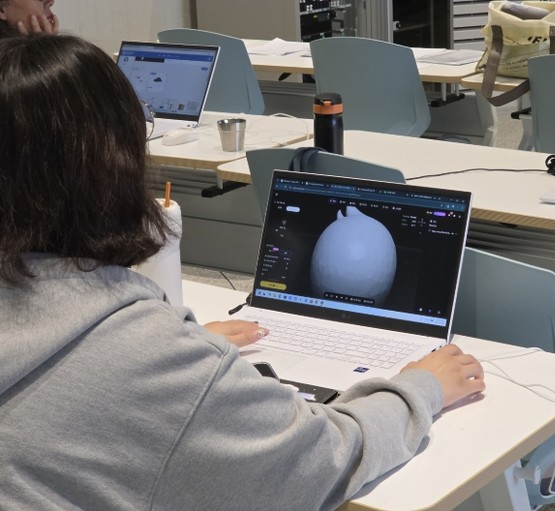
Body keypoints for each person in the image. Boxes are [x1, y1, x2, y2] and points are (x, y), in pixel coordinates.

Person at [0, 33, 485, 510]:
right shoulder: (157, 363)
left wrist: (174, 350)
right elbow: (329, 457)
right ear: (114, 165)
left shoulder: (143, 352)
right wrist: (421, 388)